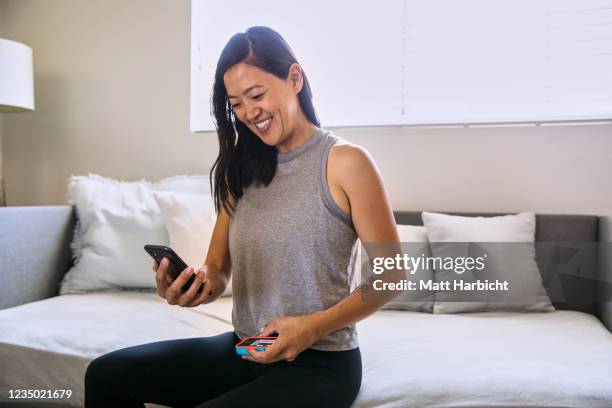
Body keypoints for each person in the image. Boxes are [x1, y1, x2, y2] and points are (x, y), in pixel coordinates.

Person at [84, 26, 400, 408]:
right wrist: (192, 287)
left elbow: (392, 275)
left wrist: (311, 327)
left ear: (294, 78)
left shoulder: (346, 162)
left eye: (257, 95)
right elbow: (217, 270)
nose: (249, 113)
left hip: (321, 363)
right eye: (236, 104)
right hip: (247, 348)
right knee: (105, 375)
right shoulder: (240, 170)